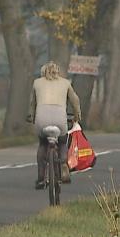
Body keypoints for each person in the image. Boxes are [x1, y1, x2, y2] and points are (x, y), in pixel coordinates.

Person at [26, 61, 82, 189]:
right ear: (58, 72)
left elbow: (33, 103)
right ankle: (63, 164)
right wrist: (77, 116)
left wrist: (31, 116)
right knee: (62, 142)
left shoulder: (37, 83)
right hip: (60, 119)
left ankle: (41, 178)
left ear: (43, 72)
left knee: (43, 144)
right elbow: (75, 101)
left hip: (42, 118)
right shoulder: (65, 83)